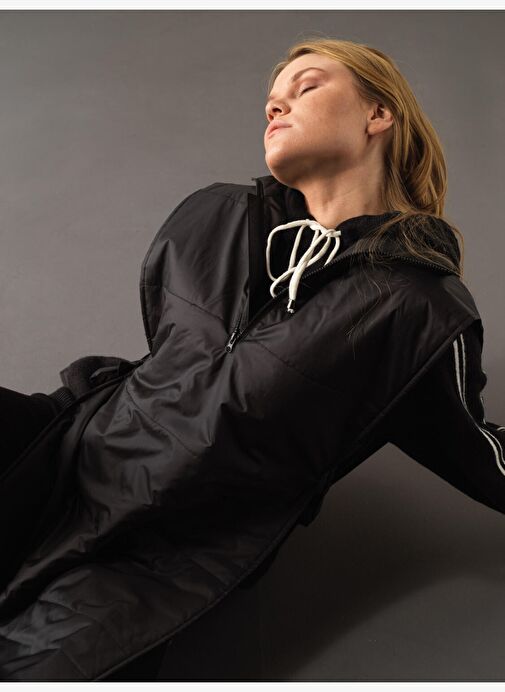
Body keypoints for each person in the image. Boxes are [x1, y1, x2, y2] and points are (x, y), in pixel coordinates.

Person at [0, 36, 502, 682]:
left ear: (378, 115)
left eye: (306, 86)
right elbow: (175, 361)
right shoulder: (212, 216)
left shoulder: (416, 310)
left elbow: (481, 455)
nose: (275, 106)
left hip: (155, 558)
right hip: (59, 451)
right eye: (271, 98)